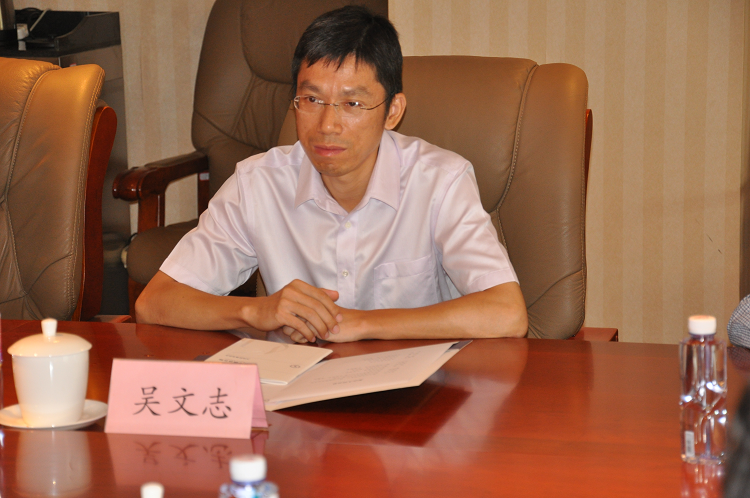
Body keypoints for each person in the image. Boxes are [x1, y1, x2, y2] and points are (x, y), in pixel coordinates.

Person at [136, 5, 528, 343]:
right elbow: (154, 302)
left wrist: (364, 324)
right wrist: (255, 312)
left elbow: (507, 313)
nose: (327, 125)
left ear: (393, 111)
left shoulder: (441, 181)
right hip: (298, 390)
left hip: (417, 392)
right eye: (311, 99)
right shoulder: (257, 184)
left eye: (352, 103)